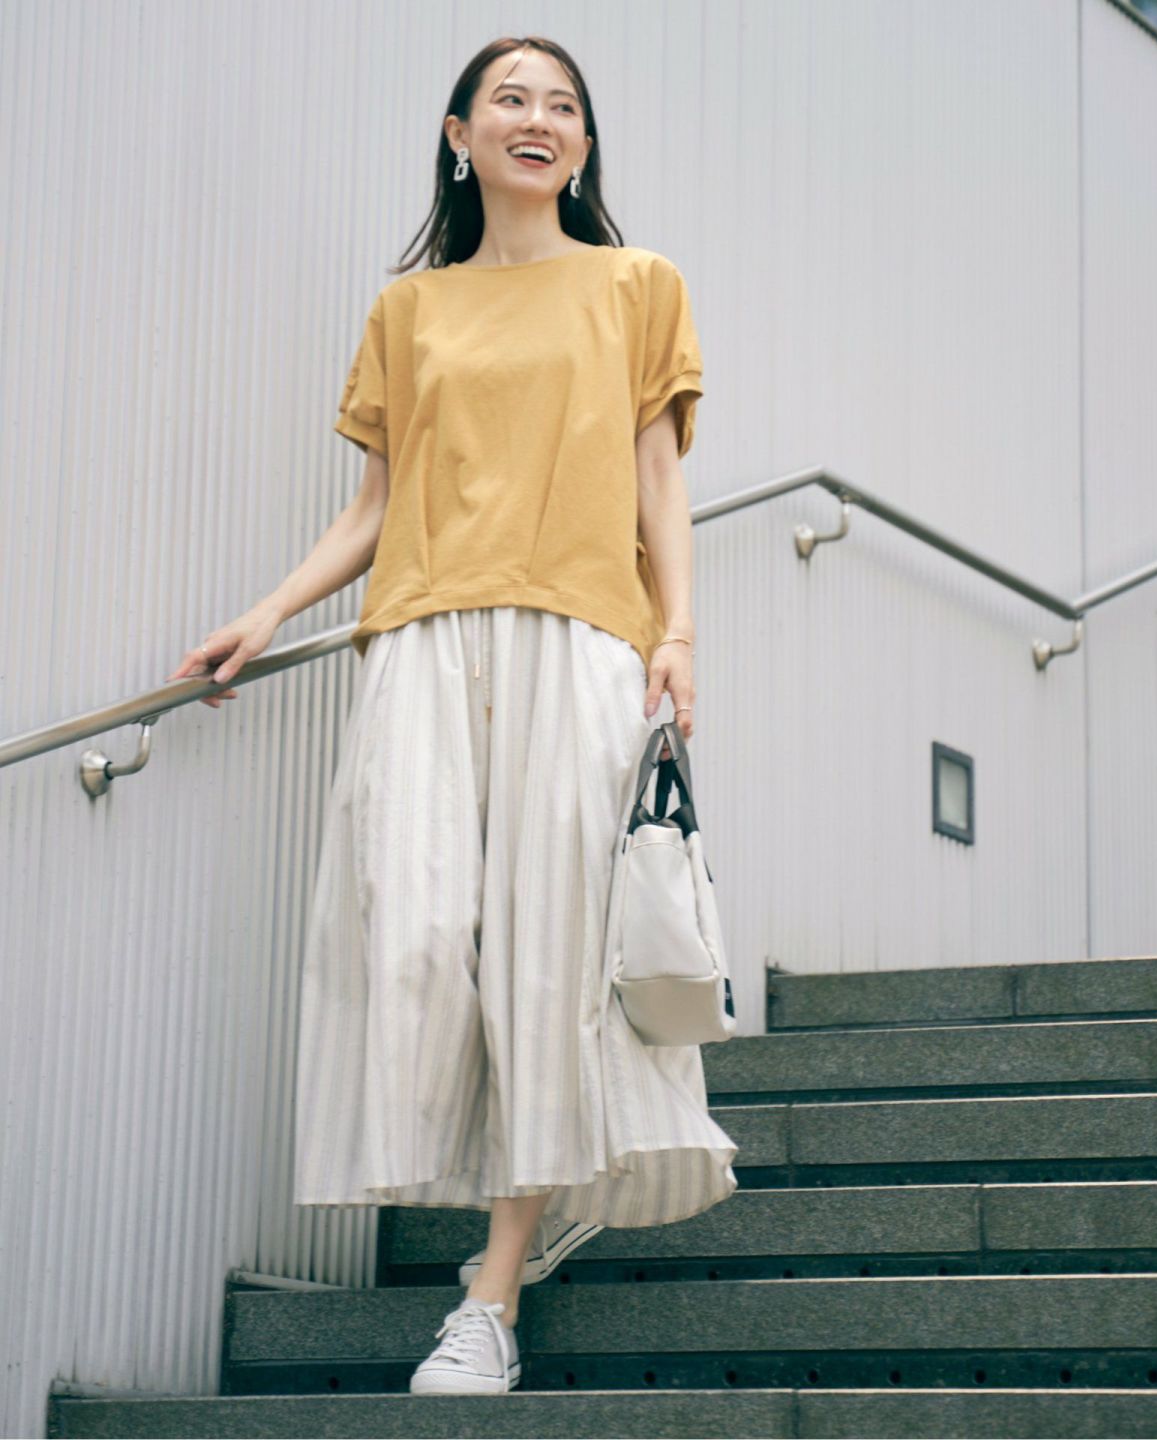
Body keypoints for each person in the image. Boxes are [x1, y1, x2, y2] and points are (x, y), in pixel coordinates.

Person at [166, 34, 737, 1397]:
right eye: (511, 101)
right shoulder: (407, 311)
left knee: (549, 957)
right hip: (421, 640)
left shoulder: (637, 286)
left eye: (562, 106)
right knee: (418, 934)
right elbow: (374, 507)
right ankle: (522, 1194)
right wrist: (268, 612)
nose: (538, 120)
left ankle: (492, 1296)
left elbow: (660, 482)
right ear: (460, 134)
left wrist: (676, 636)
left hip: (581, 639)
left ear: (582, 145)